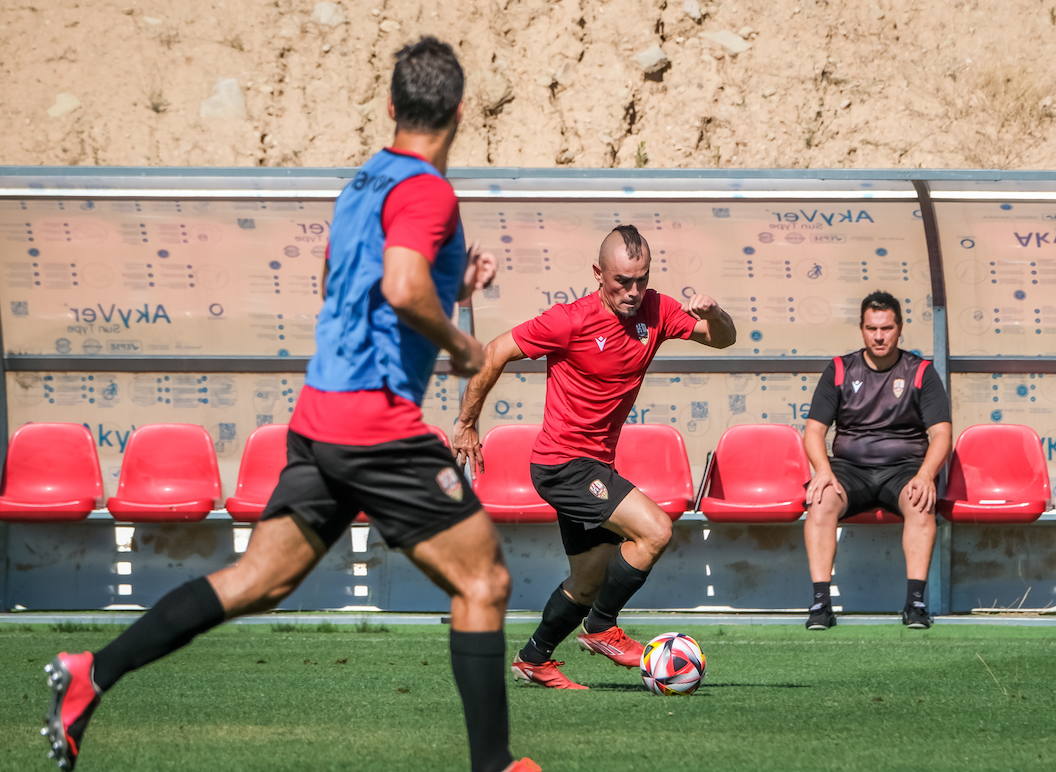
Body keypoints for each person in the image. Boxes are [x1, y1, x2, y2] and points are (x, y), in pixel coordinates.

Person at [41, 37, 537, 772]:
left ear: (392, 107)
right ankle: (495, 766)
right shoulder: (429, 190)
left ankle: (92, 674)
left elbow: (352, 285)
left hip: (320, 416)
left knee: (259, 582)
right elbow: (400, 289)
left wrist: (450, 285)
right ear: (462, 111)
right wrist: (462, 346)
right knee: (484, 579)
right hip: (374, 423)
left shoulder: (364, 181)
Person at [454, 224, 735, 689]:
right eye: (622, 280)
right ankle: (602, 627)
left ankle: (533, 658)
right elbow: (494, 351)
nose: (633, 291)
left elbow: (721, 338)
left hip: (593, 467)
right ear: (598, 274)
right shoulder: (569, 319)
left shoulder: (657, 310)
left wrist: (716, 312)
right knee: (656, 530)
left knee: (586, 579)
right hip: (562, 465)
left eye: (641, 279)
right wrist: (466, 423)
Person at [801, 291, 952, 630]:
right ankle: (820, 606)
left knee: (921, 501)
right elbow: (813, 431)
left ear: (899, 329)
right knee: (821, 500)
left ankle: (915, 605)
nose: (879, 336)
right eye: (872, 328)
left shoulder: (921, 372)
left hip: (903, 470)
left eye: (886, 328)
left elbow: (941, 434)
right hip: (849, 470)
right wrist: (823, 471)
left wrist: (926, 475)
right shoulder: (840, 369)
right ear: (861, 329)